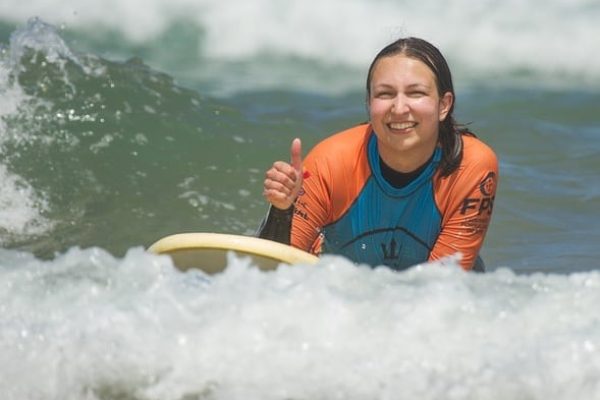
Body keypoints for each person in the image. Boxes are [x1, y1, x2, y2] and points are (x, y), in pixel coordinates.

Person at [258, 37, 498, 272]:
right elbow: (271, 277)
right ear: (369, 103)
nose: (399, 108)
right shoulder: (331, 162)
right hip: (340, 294)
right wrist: (282, 209)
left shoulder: (471, 166)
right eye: (385, 94)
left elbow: (440, 287)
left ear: (444, 105)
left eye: (416, 93)